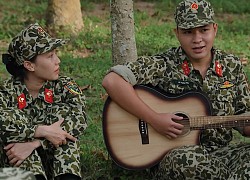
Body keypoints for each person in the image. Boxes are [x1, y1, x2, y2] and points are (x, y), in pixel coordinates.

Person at [102, 0, 250, 179]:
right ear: (177, 33)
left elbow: (243, 118)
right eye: (188, 32)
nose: (197, 39)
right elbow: (112, 81)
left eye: (204, 30)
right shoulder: (164, 64)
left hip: (223, 153)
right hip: (178, 155)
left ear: (215, 29)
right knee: (186, 160)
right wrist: (154, 119)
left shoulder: (231, 65)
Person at [0, 23, 87, 180]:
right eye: (50, 56)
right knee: (15, 133)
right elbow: (5, 125)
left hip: (55, 160)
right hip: (17, 165)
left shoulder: (65, 85)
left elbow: (79, 118)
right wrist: (41, 131)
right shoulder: (5, 92)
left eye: (56, 54)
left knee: (65, 131)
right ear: (29, 65)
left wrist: (36, 143)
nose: (58, 61)